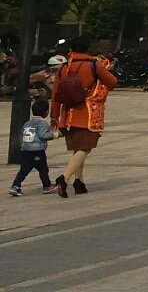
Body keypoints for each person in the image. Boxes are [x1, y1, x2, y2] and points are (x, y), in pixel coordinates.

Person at [47, 45, 117, 197]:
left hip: (67, 114)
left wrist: (54, 116)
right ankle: (64, 179)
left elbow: (55, 94)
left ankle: (79, 182)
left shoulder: (63, 67)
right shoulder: (93, 65)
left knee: (79, 147)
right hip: (88, 113)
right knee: (85, 148)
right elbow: (112, 82)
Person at [10, 97, 54, 196]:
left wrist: (23, 146)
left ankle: (15, 186)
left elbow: (22, 135)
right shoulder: (42, 123)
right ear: (46, 112)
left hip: (25, 150)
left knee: (23, 170)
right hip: (37, 151)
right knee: (43, 169)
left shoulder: (27, 123)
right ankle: (46, 186)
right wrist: (54, 135)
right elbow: (43, 135)